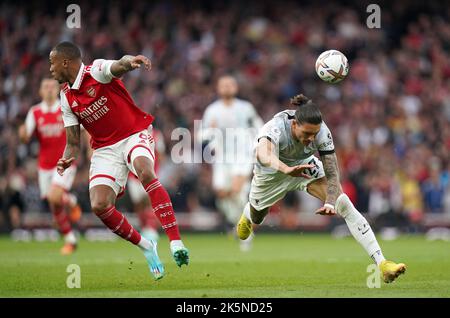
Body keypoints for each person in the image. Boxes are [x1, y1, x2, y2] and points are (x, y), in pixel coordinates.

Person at [49, 41, 189, 280]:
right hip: (105, 149)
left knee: (145, 172)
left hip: (134, 133)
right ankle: (146, 245)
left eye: (52, 63)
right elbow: (73, 142)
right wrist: (66, 159)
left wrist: (130, 62)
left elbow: (117, 66)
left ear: (65, 62)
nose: (50, 69)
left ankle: (175, 241)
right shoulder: (66, 98)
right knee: (99, 205)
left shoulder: (95, 71)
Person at [237, 94, 406, 283]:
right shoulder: (275, 127)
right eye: (306, 134)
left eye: (314, 134)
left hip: (305, 166)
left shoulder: (322, 131)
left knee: (344, 203)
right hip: (271, 173)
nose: (311, 139)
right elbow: (264, 154)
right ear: (294, 125)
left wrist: (331, 202)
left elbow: (333, 173)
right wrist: (287, 169)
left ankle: (382, 264)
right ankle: (248, 213)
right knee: (257, 217)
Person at [200, 75, 263, 251]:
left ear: (235, 88)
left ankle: (246, 233)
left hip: (242, 155)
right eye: (223, 85)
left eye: (230, 84)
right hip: (221, 159)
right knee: (222, 194)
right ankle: (239, 224)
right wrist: (209, 133)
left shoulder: (246, 108)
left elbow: (259, 127)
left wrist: (258, 147)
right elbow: (202, 136)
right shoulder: (212, 110)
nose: (227, 88)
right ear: (218, 88)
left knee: (237, 190)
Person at [18, 78, 81, 255]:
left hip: (64, 162)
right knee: (54, 204)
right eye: (45, 87)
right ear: (40, 91)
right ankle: (71, 239)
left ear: (58, 90)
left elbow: (82, 130)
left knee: (54, 196)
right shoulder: (35, 112)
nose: (49, 90)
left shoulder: (65, 107)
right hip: (44, 166)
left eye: (52, 86)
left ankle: (70, 202)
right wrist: (22, 133)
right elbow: (25, 137)